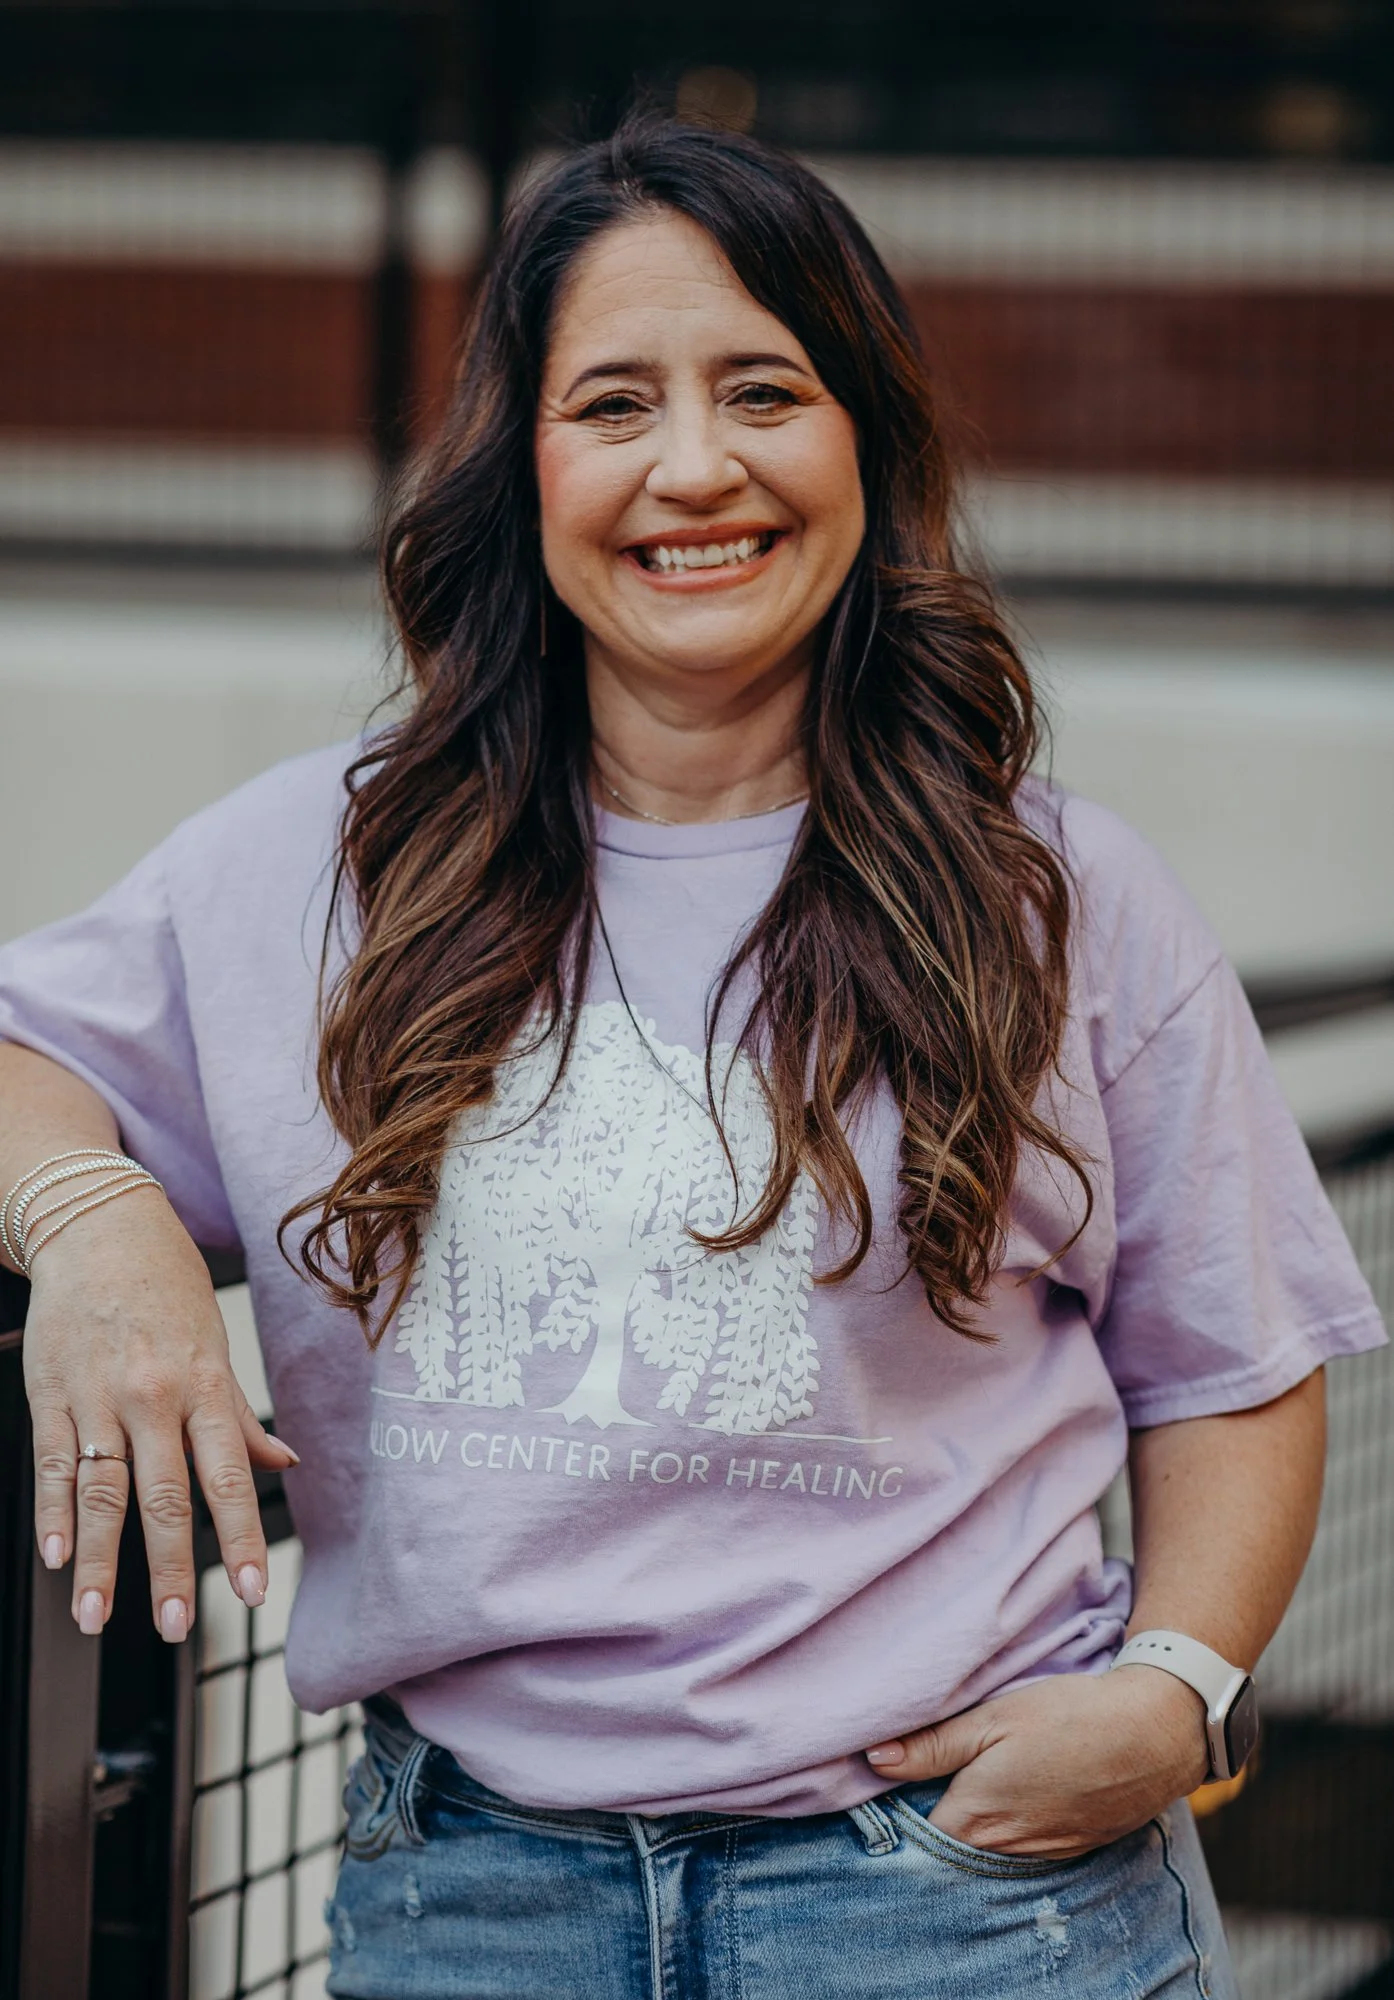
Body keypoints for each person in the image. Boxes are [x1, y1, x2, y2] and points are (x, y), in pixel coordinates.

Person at [0, 117, 1384, 2000]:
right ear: (525, 468)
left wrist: (1180, 1692)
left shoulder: (1055, 897)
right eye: (613, 405)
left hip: (955, 1899)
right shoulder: (316, 866)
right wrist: (95, 1225)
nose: (695, 467)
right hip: (476, 1901)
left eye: (763, 390)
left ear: (861, 446)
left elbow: (1232, 1357)